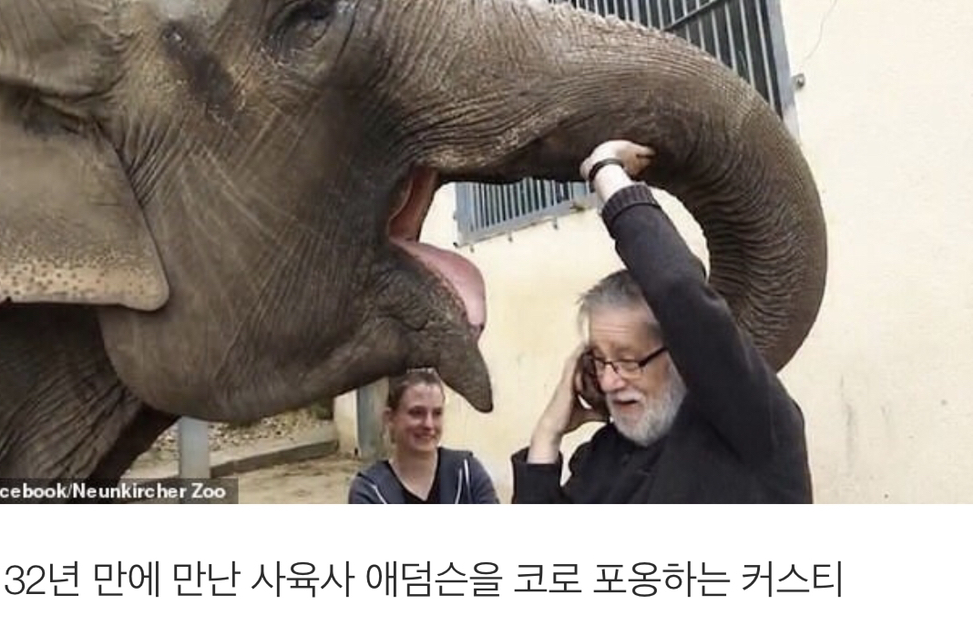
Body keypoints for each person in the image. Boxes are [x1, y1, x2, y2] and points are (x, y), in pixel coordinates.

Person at [511, 139, 812, 503]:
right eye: (598, 360)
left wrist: (604, 170)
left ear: (682, 353)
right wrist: (548, 432)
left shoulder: (751, 431)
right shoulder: (600, 459)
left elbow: (676, 288)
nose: (608, 381)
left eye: (628, 360)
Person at [348, 368, 499, 503]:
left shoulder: (467, 473)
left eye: (437, 413)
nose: (429, 424)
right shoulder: (370, 490)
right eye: (417, 413)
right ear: (390, 418)